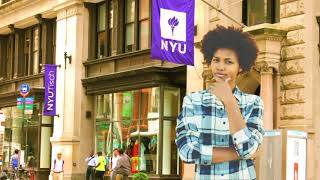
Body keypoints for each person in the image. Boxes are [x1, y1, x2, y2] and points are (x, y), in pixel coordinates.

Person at [175, 25, 265, 180]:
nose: (221, 67)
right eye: (216, 60)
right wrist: (239, 154)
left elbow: (248, 149)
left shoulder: (253, 103)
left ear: (240, 66)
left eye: (229, 62)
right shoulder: (193, 101)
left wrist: (230, 102)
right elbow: (187, 151)